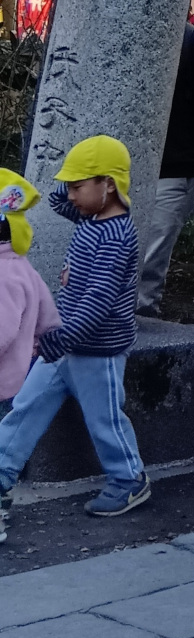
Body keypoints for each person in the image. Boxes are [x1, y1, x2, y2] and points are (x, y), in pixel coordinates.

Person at [0, 137, 149, 522]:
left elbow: (99, 300)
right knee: (26, 405)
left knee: (105, 418)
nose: (70, 194)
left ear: (109, 185)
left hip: (96, 348)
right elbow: (55, 200)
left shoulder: (116, 235)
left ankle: (129, 477)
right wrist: (71, 179)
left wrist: (63, 338)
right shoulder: (90, 216)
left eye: (78, 186)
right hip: (62, 342)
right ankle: (2, 469)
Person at [138, 24, 194, 316]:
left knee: (151, 256)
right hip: (116, 166)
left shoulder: (191, 42)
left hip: (173, 168)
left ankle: (143, 317)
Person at [0, 170, 58, 543]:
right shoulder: (23, 268)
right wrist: (37, 343)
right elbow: (50, 317)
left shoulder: (3, 275)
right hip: (18, 378)